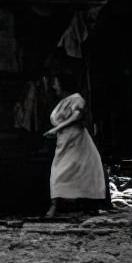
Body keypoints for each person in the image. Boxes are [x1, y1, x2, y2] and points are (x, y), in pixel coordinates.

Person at [43, 70, 107, 218]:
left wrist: (57, 128)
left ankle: (77, 205)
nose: (54, 86)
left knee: (78, 172)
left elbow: (77, 116)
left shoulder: (77, 99)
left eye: (56, 82)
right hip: (63, 141)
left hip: (77, 140)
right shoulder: (62, 102)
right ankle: (56, 205)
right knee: (58, 173)